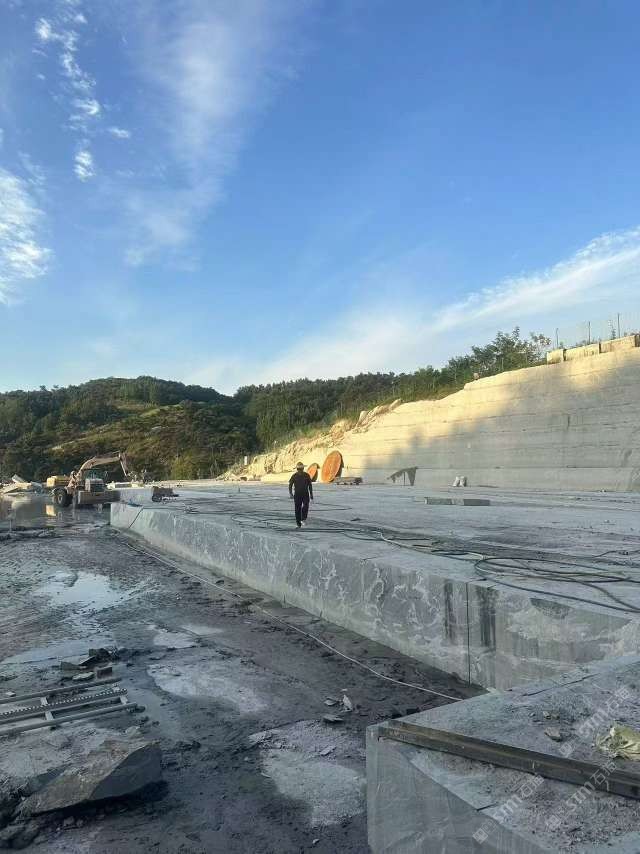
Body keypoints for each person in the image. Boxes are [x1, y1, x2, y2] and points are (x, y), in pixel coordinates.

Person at [288, 462, 313, 528]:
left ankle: (303, 518)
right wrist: (290, 493)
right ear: (297, 469)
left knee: (305, 505)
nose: (300, 470)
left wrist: (311, 495)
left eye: (301, 469)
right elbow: (290, 485)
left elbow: (310, 485)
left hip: (305, 494)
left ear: (303, 468)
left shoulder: (307, 475)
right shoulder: (294, 476)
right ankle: (298, 524)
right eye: (299, 469)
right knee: (297, 509)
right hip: (297, 495)